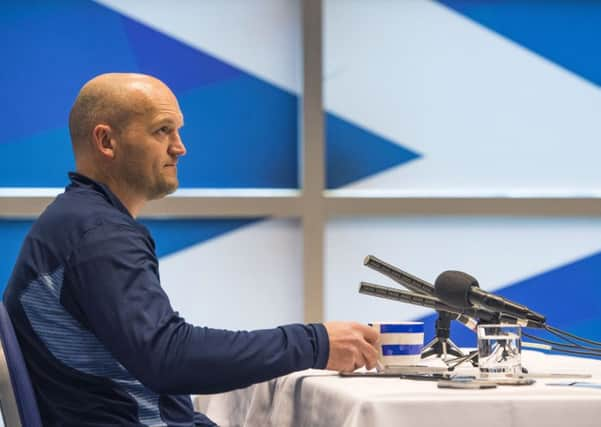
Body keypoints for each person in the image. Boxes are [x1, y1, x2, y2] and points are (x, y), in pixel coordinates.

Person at [3, 73, 379, 426]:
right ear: (107, 142)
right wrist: (314, 342)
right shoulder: (99, 234)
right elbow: (168, 357)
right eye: (162, 131)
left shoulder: (77, 222)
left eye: (178, 131)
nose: (180, 147)